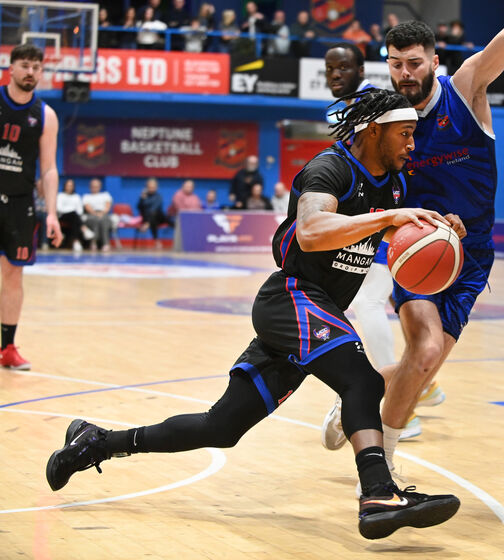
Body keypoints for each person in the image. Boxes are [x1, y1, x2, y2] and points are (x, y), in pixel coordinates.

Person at [45, 89, 461, 540]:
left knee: (220, 427)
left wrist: (434, 231)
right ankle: (378, 491)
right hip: (292, 298)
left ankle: (97, 442)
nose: (412, 145)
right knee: (361, 379)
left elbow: (385, 236)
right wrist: (388, 219)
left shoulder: (394, 185)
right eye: (405, 133)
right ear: (373, 130)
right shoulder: (332, 168)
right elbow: (312, 230)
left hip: (312, 314)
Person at [322, 2, 504, 469]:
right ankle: (379, 470)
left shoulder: (466, 87)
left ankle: (358, 392)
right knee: (425, 349)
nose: (405, 73)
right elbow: (368, 185)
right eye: (395, 65)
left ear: (433, 61)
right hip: (416, 247)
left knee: (422, 365)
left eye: (414, 63)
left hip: (472, 256)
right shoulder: (382, 114)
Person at [321, 44, 411, 446]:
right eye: (330, 68)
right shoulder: (335, 110)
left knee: (370, 304)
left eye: (344, 67)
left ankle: (393, 393)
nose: (336, 74)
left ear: (361, 69)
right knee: (365, 305)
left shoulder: (376, 104)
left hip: (389, 209)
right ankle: (414, 381)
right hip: (365, 215)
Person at [0, 44, 63, 370]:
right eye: (25, 66)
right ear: (10, 68)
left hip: (20, 204)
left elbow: (49, 168)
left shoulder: (45, 115)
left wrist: (51, 212)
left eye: (37, 68)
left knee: (13, 275)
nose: (31, 72)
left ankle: (7, 347)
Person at [57, 178, 93, 253]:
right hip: (62, 216)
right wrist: (71, 210)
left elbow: (80, 210)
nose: (69, 187)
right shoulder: (60, 195)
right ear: (65, 186)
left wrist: (72, 211)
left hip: (74, 217)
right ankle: (84, 229)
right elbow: (59, 208)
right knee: (74, 215)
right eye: (68, 185)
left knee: (75, 218)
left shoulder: (76, 197)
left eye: (71, 186)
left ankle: (76, 241)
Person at [137, 178, 172, 248]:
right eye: (150, 187)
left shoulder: (158, 197)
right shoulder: (144, 197)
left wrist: (147, 221)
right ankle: (156, 240)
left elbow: (155, 208)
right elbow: (139, 208)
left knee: (154, 212)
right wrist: (141, 199)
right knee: (152, 220)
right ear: (147, 187)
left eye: (153, 187)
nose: (151, 189)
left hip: (160, 217)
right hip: (151, 219)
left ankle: (147, 225)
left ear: (156, 187)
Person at [82, 177, 113, 252]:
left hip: (104, 214)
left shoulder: (106, 195)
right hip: (91, 214)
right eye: (93, 186)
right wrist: (96, 214)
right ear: (90, 187)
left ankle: (105, 244)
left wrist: (102, 213)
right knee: (95, 220)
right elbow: (87, 208)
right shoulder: (86, 197)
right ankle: (94, 242)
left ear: (100, 187)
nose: (94, 188)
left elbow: (108, 206)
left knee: (104, 220)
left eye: (96, 186)